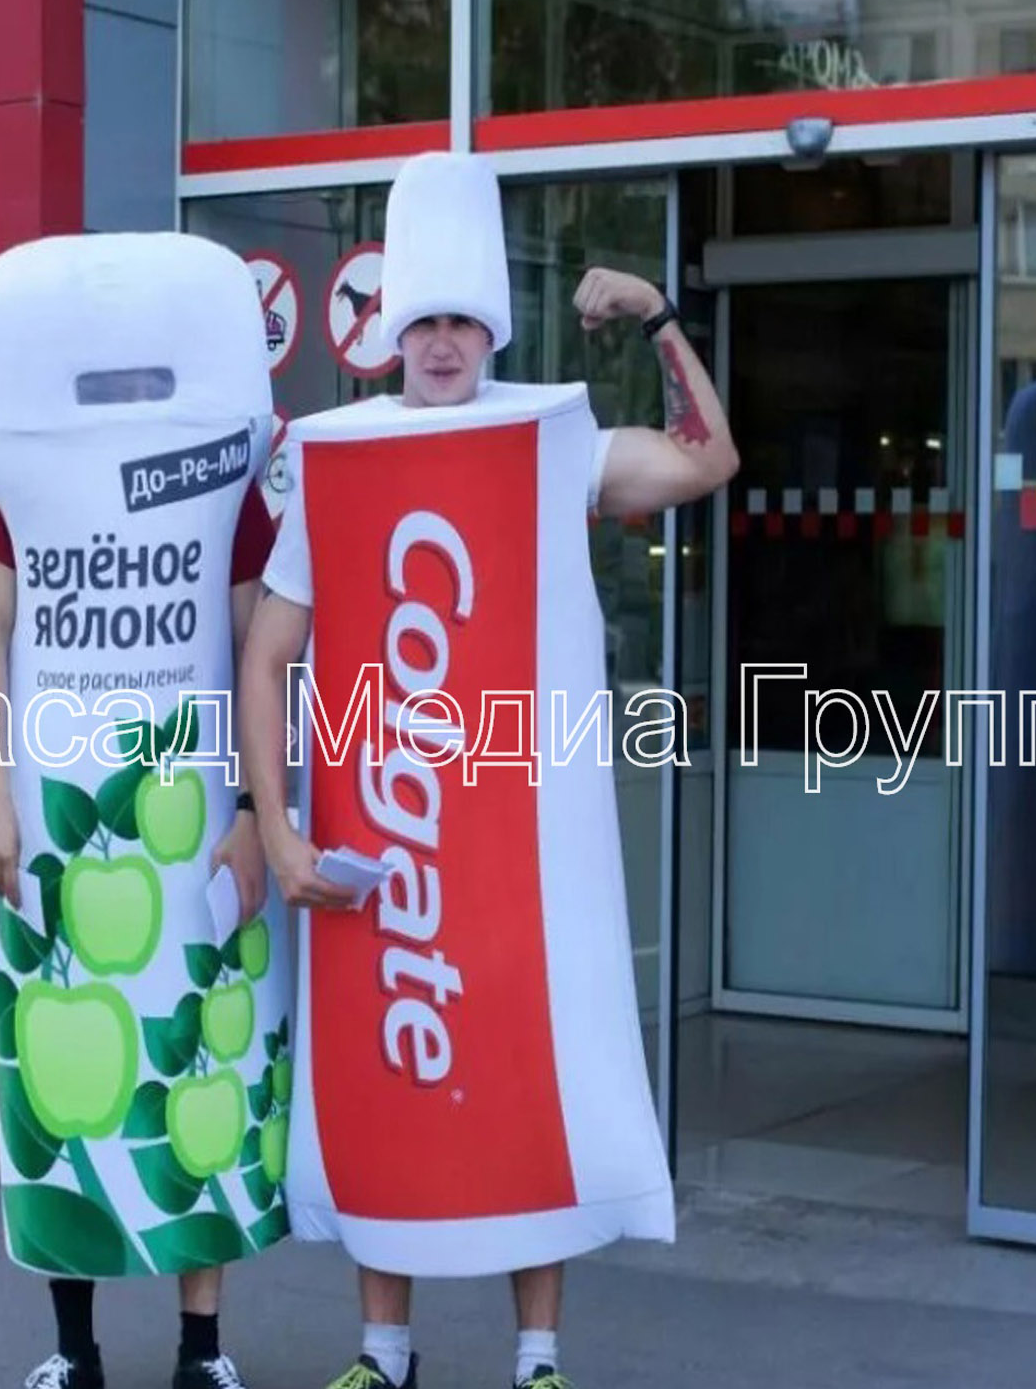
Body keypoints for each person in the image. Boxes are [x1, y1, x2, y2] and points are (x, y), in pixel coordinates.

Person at [235, 152, 738, 1389]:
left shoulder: (550, 441)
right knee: (386, 1075)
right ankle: (383, 1353)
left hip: (518, 850)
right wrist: (280, 827)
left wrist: (658, 316)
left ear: (492, 328)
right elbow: (267, 656)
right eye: (425, 321)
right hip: (383, 838)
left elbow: (705, 458)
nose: (444, 342)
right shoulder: (335, 461)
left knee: (522, 1076)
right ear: (391, 333)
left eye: (463, 320)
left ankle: (536, 1358)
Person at [0, 232, 292, 1389]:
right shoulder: (13, 486)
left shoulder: (227, 479)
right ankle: (74, 1351)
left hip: (193, 816)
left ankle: (203, 1348)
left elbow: (252, 648)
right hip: (53, 819)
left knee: (207, 1062)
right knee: (60, 1084)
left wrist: (253, 808)